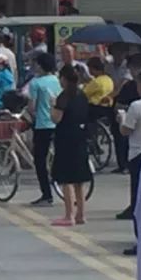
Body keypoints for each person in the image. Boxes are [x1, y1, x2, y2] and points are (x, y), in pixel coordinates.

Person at [51, 65, 92, 228]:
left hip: (65, 139)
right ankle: (81, 214)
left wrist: (52, 105)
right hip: (80, 137)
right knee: (79, 179)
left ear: (64, 79)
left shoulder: (63, 96)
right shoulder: (82, 95)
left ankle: (69, 215)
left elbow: (56, 119)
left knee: (66, 178)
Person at [27, 53, 62, 206]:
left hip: (43, 125)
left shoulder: (36, 83)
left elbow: (32, 107)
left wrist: (30, 115)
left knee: (39, 160)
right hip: (57, 122)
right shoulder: (56, 80)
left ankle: (46, 194)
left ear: (40, 65)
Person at [120, 71, 141, 254]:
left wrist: (121, 119)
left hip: (138, 155)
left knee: (138, 200)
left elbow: (125, 131)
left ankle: (140, 240)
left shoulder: (136, 106)